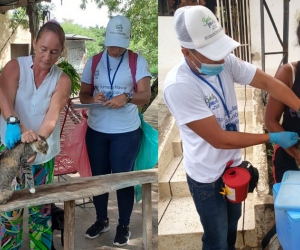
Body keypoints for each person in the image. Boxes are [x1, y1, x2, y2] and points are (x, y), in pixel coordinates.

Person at [163, 6, 300, 250]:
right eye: (210, 54)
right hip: (206, 178)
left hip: (232, 168)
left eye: (220, 50)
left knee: (231, 225)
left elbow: (269, 82)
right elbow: (220, 139)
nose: (219, 58)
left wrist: (299, 105)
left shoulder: (226, 62)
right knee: (215, 237)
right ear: (186, 52)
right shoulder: (179, 85)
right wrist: (272, 136)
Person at [79, 15, 151, 247]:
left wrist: (127, 97)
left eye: (120, 43)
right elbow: (84, 95)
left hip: (125, 132)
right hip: (97, 130)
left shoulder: (137, 62)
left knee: (122, 179)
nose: (115, 48)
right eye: (111, 42)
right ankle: (102, 220)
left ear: (128, 40)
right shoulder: (94, 61)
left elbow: (145, 95)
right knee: (99, 178)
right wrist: (94, 98)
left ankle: (124, 224)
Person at [0, 20, 71, 250]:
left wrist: (34, 145)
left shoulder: (62, 80)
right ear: (34, 43)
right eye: (43, 49)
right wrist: (20, 132)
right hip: (9, 150)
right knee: (9, 212)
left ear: (61, 52)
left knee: (41, 211)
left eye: (54, 52)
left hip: (41, 156)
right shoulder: (14, 67)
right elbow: (6, 105)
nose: (47, 57)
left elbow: (51, 119)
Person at [265, 20, 300, 183]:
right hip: (289, 160)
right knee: (290, 206)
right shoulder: (289, 73)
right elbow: (270, 120)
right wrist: (295, 152)